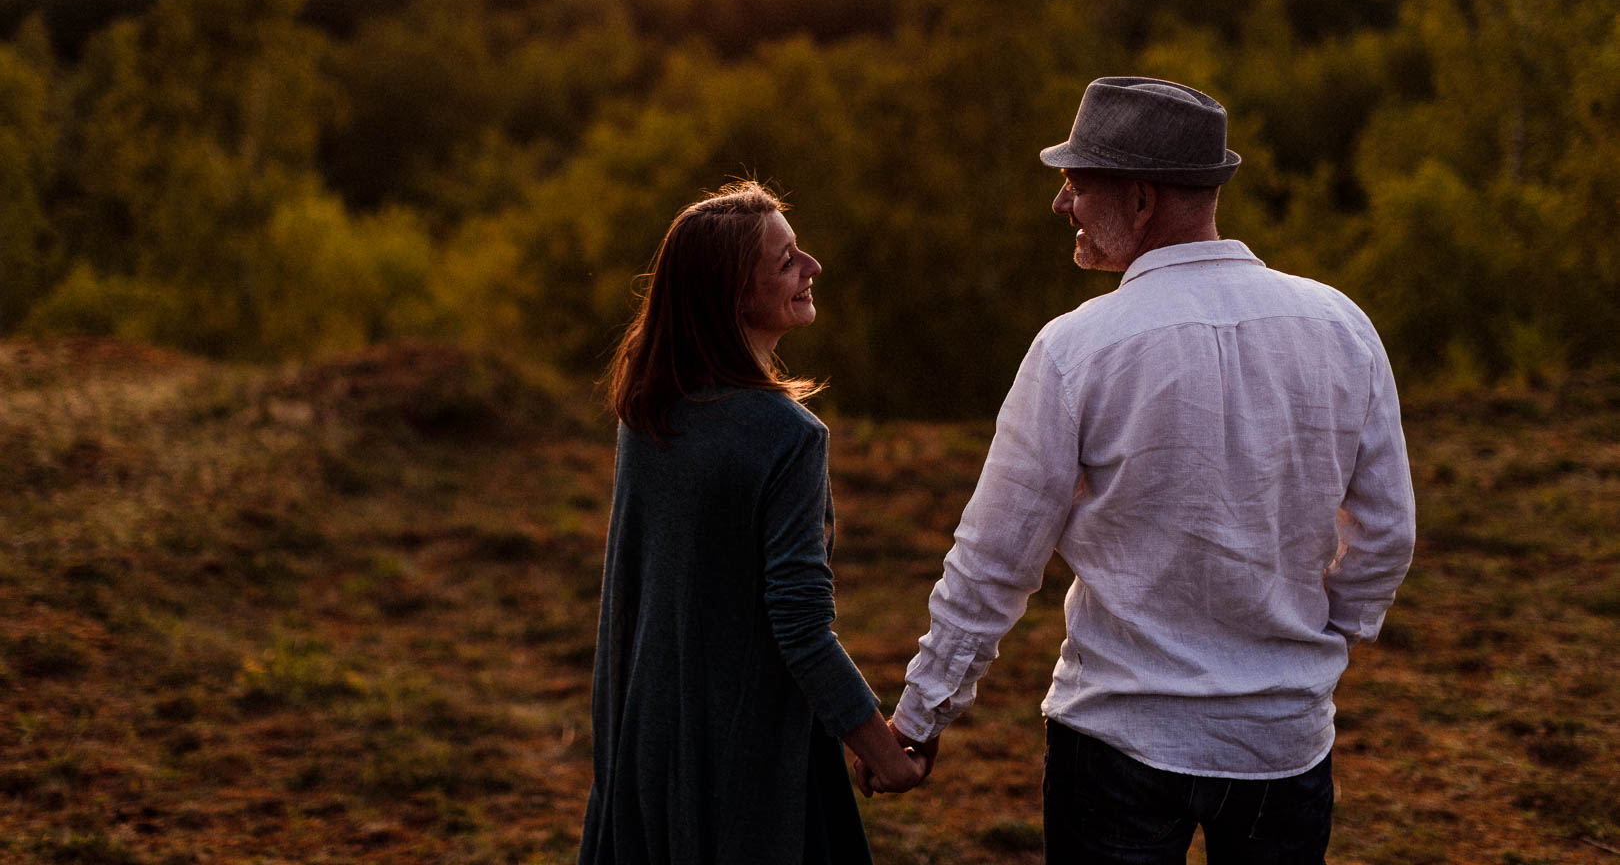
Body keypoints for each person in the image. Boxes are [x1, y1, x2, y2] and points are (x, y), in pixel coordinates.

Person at [885, 78, 1417, 864]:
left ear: (1139, 200)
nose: (1059, 205)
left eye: (1075, 184)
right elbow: (1387, 534)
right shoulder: (1342, 326)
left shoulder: (1076, 349)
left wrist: (920, 716)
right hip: (1284, 741)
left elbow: (996, 558)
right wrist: (1313, 643)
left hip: (1117, 740)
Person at [578, 181, 925, 865]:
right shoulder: (787, 437)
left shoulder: (650, 410)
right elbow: (799, 627)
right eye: (788, 260)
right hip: (748, 761)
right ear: (737, 294)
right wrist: (886, 754)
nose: (812, 267)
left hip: (648, 742)